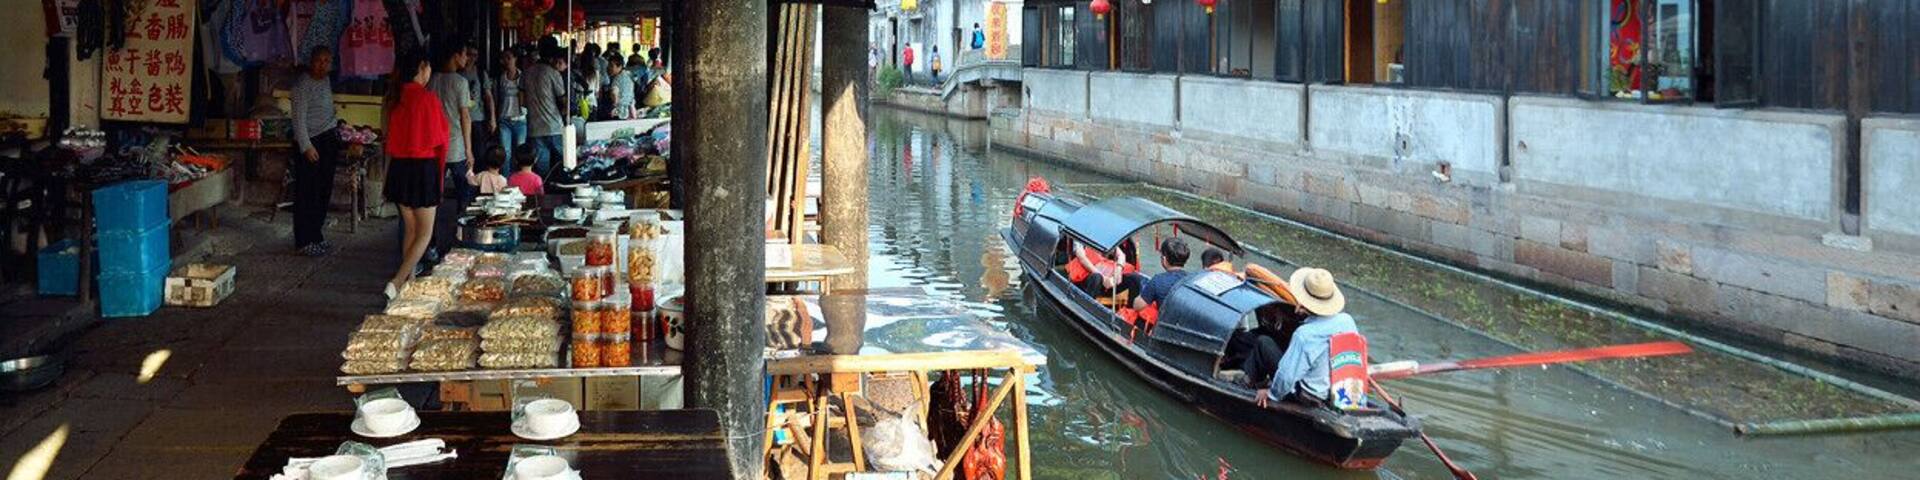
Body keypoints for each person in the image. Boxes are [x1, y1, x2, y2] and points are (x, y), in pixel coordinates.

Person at [381, 56, 450, 298]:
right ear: (422, 68)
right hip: (423, 169)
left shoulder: (396, 99)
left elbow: (389, 144)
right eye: (428, 65)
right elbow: (442, 139)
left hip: (400, 169)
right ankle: (397, 281)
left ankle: (407, 284)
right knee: (424, 233)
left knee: (410, 229)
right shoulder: (427, 99)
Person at [1253, 268, 1357, 408]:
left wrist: (1271, 394)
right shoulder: (1347, 320)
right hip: (1340, 391)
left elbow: (1286, 377)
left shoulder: (1305, 334)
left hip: (1309, 396)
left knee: (1263, 342)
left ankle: (1253, 384)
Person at [289, 46, 341, 257]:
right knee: (306, 194)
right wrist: (306, 146)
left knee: (322, 192)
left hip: (328, 138)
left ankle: (316, 236)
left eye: (327, 61)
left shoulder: (326, 81)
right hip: (311, 142)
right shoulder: (303, 85)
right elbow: (298, 119)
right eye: (319, 61)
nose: (323, 65)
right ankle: (303, 240)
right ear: (311, 61)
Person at [521, 44, 569, 178]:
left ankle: (544, 192)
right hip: (553, 126)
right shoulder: (553, 73)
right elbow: (563, 98)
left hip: (534, 127)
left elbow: (522, 100)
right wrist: (565, 113)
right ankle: (562, 188)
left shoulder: (527, 72)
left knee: (542, 166)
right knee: (564, 162)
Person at [492, 48, 528, 172]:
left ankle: (520, 178)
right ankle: (506, 181)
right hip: (504, 120)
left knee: (520, 153)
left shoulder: (523, 77)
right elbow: (496, 99)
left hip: (520, 120)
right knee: (505, 153)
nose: (507, 61)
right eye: (504, 58)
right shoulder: (500, 79)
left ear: (515, 59)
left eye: (509, 58)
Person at [1132, 238, 1192, 311]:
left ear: (1164, 259)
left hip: (1164, 321)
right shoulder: (1192, 279)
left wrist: (1144, 290)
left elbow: (1137, 306)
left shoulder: (1157, 281)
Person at [464, 43, 492, 159]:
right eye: (469, 55)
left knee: (480, 152)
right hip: (461, 118)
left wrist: (492, 118)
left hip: (478, 118)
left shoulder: (480, 73)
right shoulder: (458, 73)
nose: (472, 58)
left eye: (475, 56)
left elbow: (488, 96)